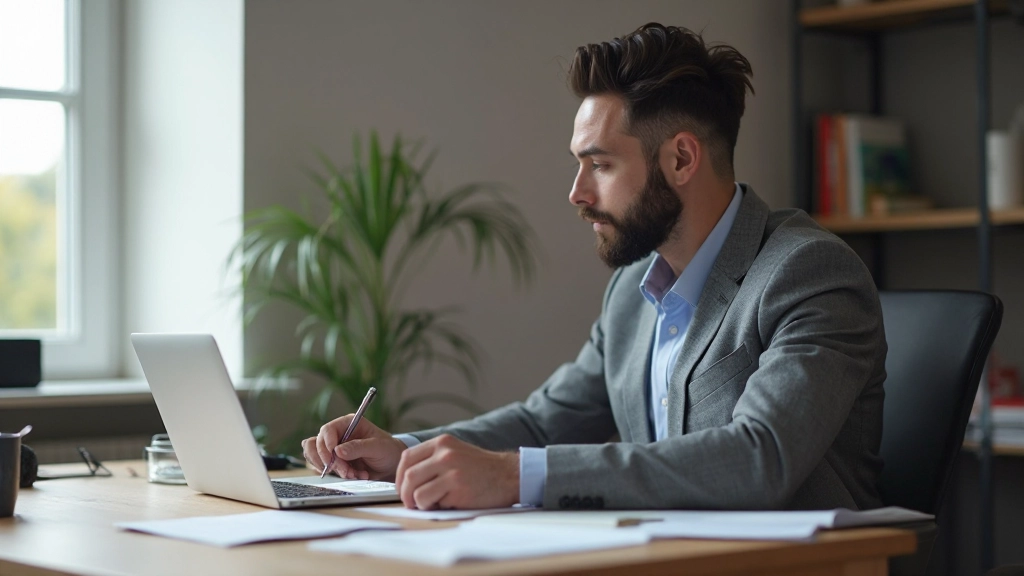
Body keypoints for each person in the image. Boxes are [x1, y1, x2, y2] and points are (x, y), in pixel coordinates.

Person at [302, 22, 886, 512]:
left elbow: (761, 456)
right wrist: (405, 453)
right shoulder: (633, 290)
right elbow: (544, 423)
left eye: (600, 165)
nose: (577, 193)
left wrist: (513, 477)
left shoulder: (809, 272)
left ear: (681, 157)